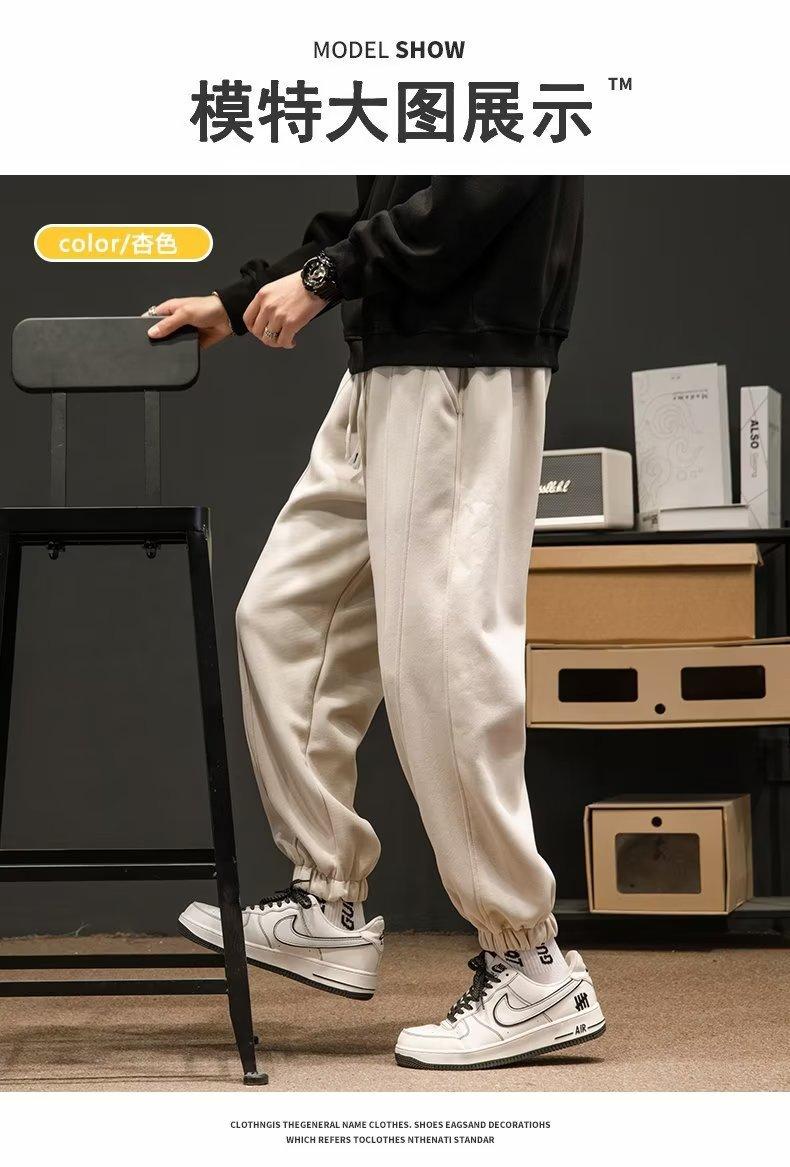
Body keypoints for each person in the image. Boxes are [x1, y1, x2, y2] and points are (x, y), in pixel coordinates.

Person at [149, 176, 604, 1070]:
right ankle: (329, 899)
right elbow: (381, 206)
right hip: (384, 363)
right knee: (283, 617)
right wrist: (239, 304)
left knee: (443, 664)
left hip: (465, 357)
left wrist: (323, 278)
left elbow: (477, 194)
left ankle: (530, 965)